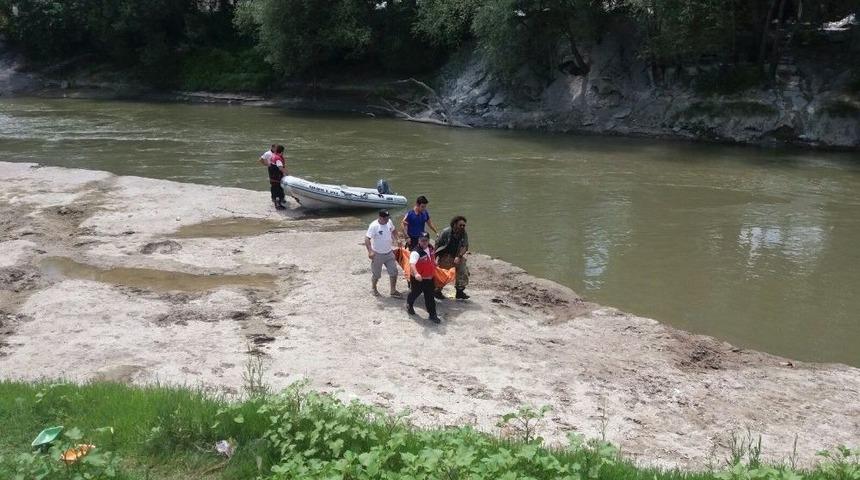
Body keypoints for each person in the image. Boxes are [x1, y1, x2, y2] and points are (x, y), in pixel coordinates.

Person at [364, 209, 402, 298]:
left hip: (389, 252)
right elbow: (367, 239)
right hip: (377, 254)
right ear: (380, 217)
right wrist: (370, 251)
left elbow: (394, 230)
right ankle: (373, 288)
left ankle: (393, 291)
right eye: (385, 218)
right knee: (376, 274)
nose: (387, 220)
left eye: (388, 218)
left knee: (394, 272)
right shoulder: (374, 226)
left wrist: (397, 239)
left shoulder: (389, 222)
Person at [406, 232, 441, 323]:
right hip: (419, 279)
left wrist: (435, 263)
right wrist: (417, 274)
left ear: (428, 240)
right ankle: (409, 304)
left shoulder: (431, 248)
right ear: (419, 240)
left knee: (430, 297)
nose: (424, 242)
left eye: (425, 240)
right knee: (415, 293)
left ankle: (432, 315)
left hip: (429, 278)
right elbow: (412, 264)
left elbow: (431, 258)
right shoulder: (415, 252)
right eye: (422, 240)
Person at [435, 215, 470, 300]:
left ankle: (459, 292)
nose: (462, 227)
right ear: (454, 224)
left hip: (457, 256)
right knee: (442, 275)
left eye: (464, 225)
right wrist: (433, 258)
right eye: (460, 225)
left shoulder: (463, 233)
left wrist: (459, 256)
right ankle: (437, 291)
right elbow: (437, 244)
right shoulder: (446, 232)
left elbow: (465, 246)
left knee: (463, 272)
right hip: (445, 256)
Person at [266, 145, 287, 210]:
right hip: (277, 177)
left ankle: (275, 199)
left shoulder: (273, 156)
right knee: (278, 189)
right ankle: (278, 205)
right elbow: (280, 168)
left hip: (272, 176)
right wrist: (287, 174)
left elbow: (269, 164)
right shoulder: (278, 159)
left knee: (274, 188)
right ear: (282, 151)